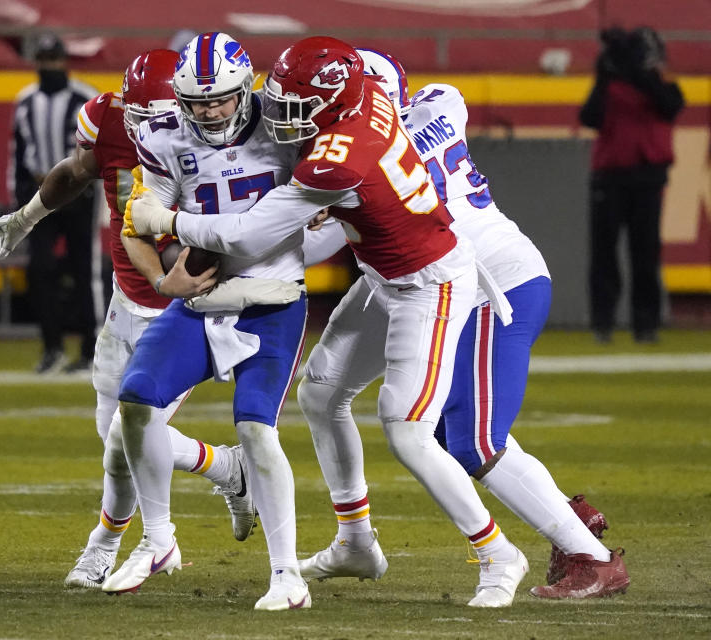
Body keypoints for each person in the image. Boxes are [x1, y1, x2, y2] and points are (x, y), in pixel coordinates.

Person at [127, 36, 532, 608]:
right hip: (380, 273)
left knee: (408, 430)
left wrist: (163, 217)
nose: (284, 118)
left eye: (298, 108)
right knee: (320, 392)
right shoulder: (364, 94)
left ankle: (497, 553)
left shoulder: (341, 153)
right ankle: (355, 540)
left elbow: (243, 234)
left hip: (430, 281)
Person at [349, 48, 629, 599]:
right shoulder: (438, 104)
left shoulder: (373, 158)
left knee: (475, 441)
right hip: (487, 280)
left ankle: (593, 559)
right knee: (457, 439)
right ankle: (573, 519)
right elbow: (442, 99)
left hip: (491, 288)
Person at [0, 49, 255, 589]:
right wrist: (28, 215)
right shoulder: (111, 115)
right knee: (112, 431)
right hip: (126, 299)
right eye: (137, 115)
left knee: (123, 436)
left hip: (189, 310)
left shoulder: (225, 139)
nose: (145, 128)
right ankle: (226, 467)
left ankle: (107, 545)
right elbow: (81, 172)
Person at [102, 32, 313, 611]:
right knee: (137, 399)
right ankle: (158, 540)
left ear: (245, 90)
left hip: (272, 295)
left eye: (219, 99)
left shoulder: (285, 124)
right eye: (197, 102)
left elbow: (334, 198)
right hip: (204, 294)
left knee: (255, 427)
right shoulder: (163, 136)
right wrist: (162, 281)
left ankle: (287, 574)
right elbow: (138, 222)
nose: (209, 111)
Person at [579, 26, 684, 344]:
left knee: (646, 254)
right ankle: (603, 324)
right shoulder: (611, 89)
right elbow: (590, 117)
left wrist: (641, 74)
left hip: (646, 178)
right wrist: (604, 78)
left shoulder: (663, 89)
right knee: (604, 255)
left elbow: (669, 105)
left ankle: (646, 325)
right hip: (610, 178)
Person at [10, 34, 100, 373]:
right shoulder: (25, 101)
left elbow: (101, 151)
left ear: (64, 60)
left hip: (78, 192)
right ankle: (52, 347)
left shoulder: (85, 97)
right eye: (43, 60)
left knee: (83, 271)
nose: (49, 66)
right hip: (40, 194)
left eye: (54, 59)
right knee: (40, 270)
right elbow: (17, 154)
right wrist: (17, 201)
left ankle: (92, 349)